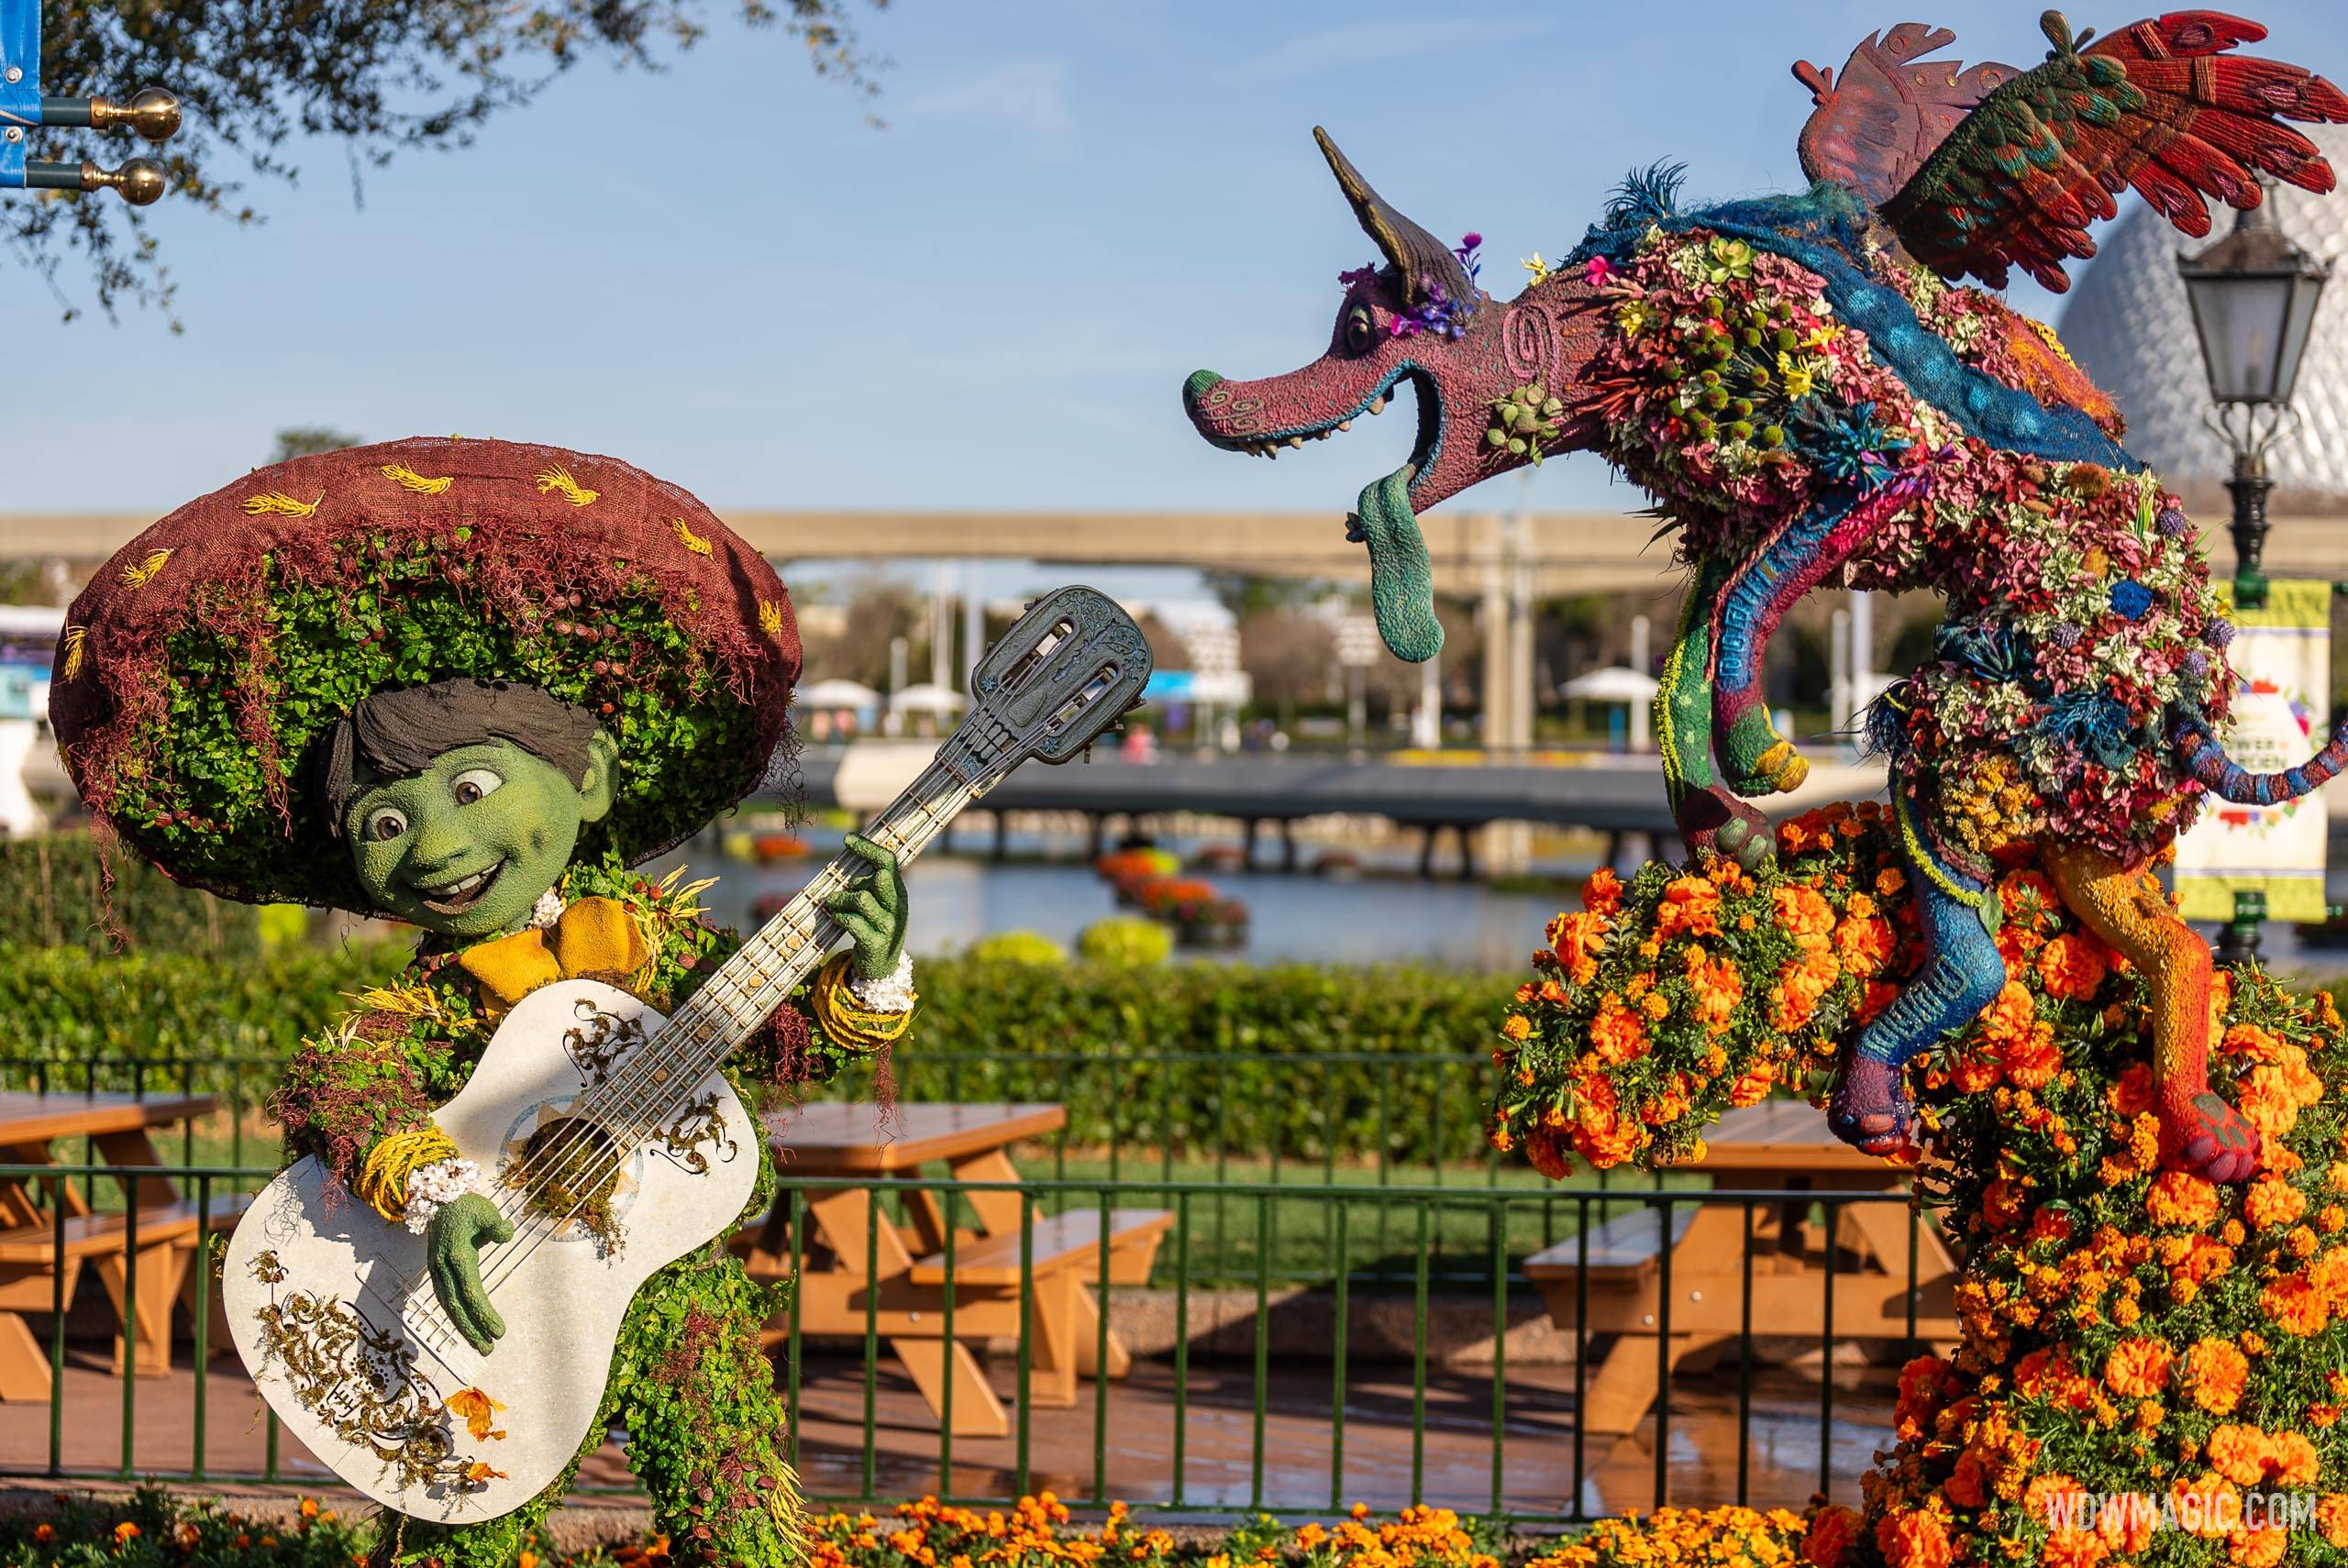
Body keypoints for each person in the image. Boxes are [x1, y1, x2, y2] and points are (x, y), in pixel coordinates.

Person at [51, 437, 905, 1568]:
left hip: (666, 1291)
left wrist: (869, 968)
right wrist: (443, 1195)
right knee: (469, 1532)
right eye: (388, 824)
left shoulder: (653, 945)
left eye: (468, 791)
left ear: (587, 776)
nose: (437, 849)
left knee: (738, 1515)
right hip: (473, 1302)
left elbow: (780, 1042)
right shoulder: (421, 1007)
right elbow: (344, 1090)